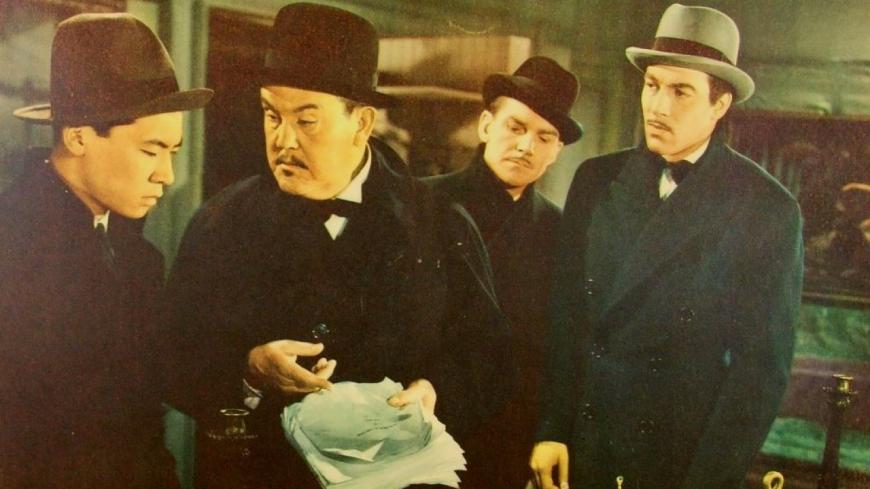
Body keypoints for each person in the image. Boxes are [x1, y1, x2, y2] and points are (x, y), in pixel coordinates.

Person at [163, 3, 513, 488]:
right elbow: (172, 364)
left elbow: (490, 358)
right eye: (271, 115)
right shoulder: (221, 223)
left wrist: (434, 391)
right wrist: (250, 371)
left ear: (362, 123)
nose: (283, 141)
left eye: (307, 121)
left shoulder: (439, 224)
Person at [530, 4, 803, 489]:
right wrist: (552, 429)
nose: (658, 106)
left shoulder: (767, 208)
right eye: (652, 85)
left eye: (681, 91)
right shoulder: (596, 179)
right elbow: (566, 317)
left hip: (677, 465)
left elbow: (759, 373)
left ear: (720, 104)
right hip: (585, 451)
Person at [0, 13, 212, 489]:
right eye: (150, 150)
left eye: (173, 152)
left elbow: (143, 425)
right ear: (78, 136)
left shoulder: (139, 259)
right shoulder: (9, 248)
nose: (167, 175)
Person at [424, 56, 582, 488]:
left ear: (556, 152)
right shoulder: (422, 204)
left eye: (544, 137)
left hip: (510, 444)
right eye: (516, 127)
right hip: (423, 431)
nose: (527, 146)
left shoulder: (561, 230)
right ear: (485, 125)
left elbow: (560, 348)